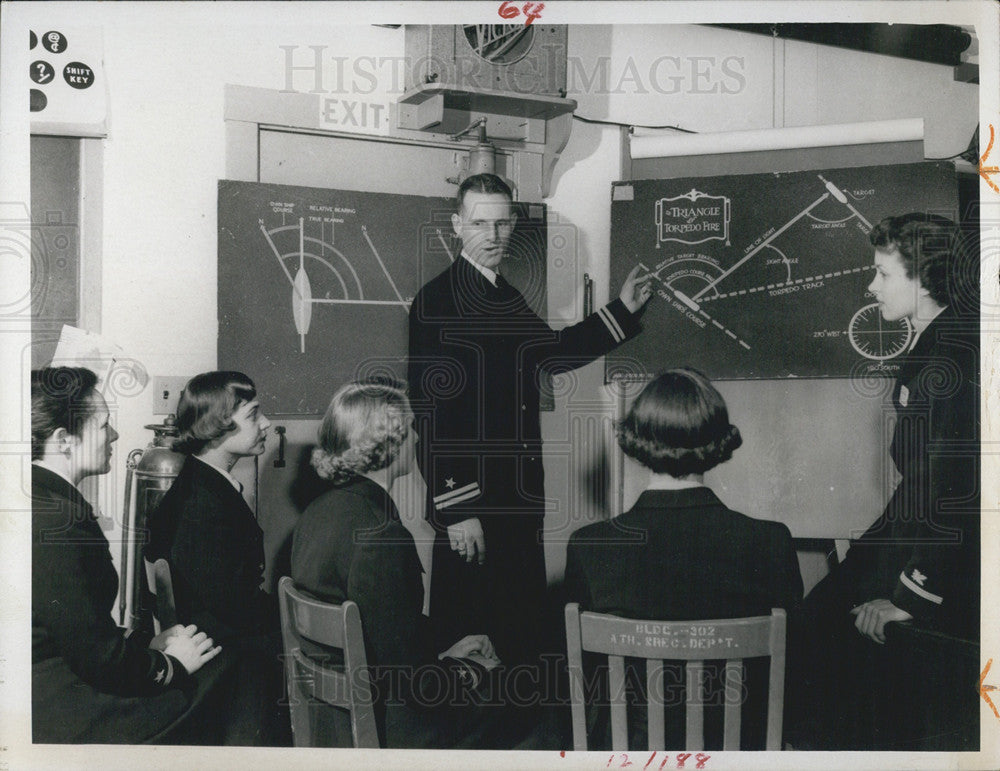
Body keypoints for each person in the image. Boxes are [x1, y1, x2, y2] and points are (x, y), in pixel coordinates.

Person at [407, 173, 653, 666]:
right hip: (474, 508)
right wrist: (456, 510)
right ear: (458, 225)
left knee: (515, 636)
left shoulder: (503, 294)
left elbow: (552, 354)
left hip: (516, 499)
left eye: (502, 223)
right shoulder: (438, 301)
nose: (493, 236)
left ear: (514, 223)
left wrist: (621, 312)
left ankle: (518, 735)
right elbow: (432, 415)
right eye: (480, 223)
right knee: (474, 646)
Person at [786, 213, 980, 749]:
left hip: (941, 570)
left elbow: (957, 492)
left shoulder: (951, 362)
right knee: (812, 623)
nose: (871, 288)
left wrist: (910, 597)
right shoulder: (941, 343)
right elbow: (921, 484)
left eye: (883, 274)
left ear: (925, 279)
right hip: (909, 540)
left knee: (819, 640)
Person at [565, 367, 802, 749]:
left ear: (637, 441)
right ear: (717, 442)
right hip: (739, 752)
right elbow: (792, 672)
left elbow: (581, 676)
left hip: (628, 754)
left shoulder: (590, 545)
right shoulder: (770, 541)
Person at [291, 381, 528, 749]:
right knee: (519, 693)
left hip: (332, 711)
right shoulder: (383, 534)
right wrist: (468, 671)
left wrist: (444, 654)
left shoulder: (316, 513)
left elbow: (386, 642)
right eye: (411, 429)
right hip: (389, 722)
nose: (418, 439)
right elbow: (416, 686)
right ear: (387, 444)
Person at [31, 366, 222, 743]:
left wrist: (142, 644)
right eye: (103, 425)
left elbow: (73, 628)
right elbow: (97, 658)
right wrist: (170, 664)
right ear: (63, 440)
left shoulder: (40, 498)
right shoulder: (57, 520)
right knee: (216, 684)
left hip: (49, 686)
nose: (114, 434)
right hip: (58, 705)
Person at [147, 370, 287, 745]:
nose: (267, 423)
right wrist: (295, 619)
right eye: (254, 414)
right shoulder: (201, 503)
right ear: (219, 424)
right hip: (229, 657)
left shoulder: (202, 485)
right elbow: (236, 605)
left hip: (223, 639)